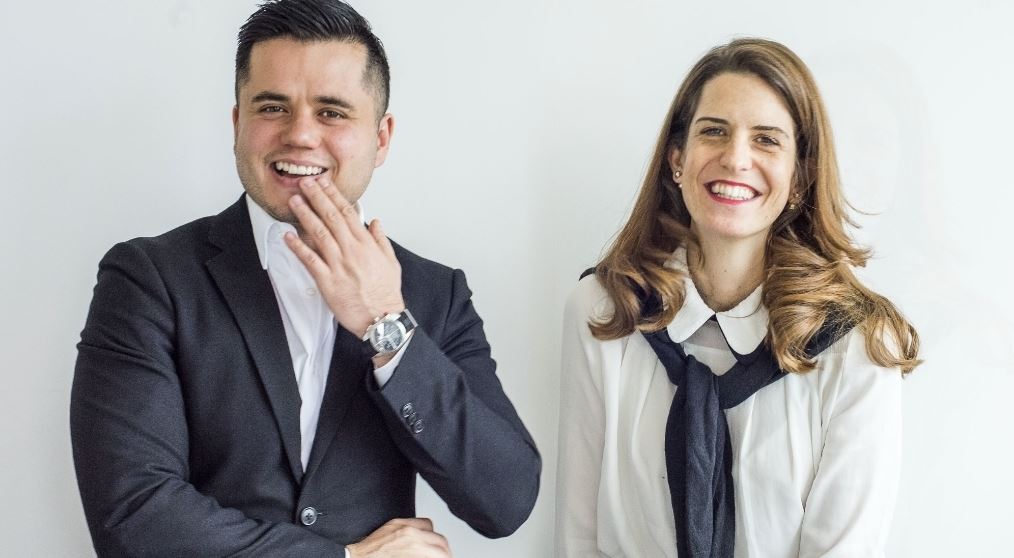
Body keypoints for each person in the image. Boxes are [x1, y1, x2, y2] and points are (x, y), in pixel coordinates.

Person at [70, 1, 540, 556]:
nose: (300, 135)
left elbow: (505, 500)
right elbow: (132, 513)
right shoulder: (148, 279)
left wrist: (387, 325)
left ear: (381, 138)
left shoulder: (436, 294)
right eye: (273, 107)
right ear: (238, 124)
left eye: (332, 112)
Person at [556, 38, 920, 558]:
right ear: (677, 159)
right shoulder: (603, 311)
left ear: (800, 177)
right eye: (714, 131)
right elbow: (577, 537)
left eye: (766, 140)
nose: (735, 158)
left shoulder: (860, 346)